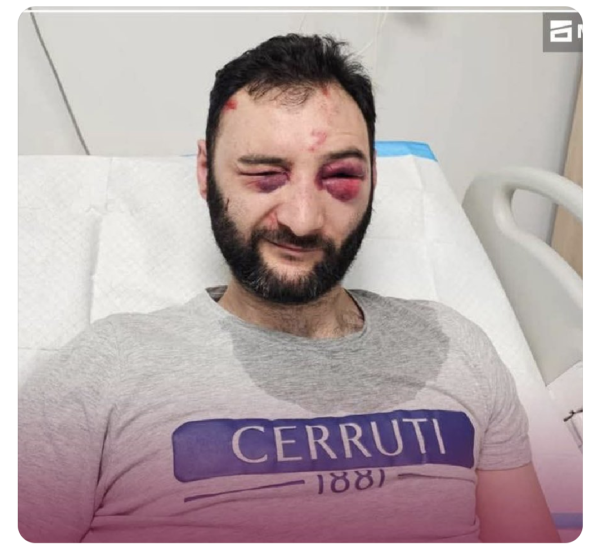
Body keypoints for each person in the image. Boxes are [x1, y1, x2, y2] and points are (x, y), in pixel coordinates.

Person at [18, 34, 560, 543]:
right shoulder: (104, 368)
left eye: (340, 176)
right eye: (264, 175)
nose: (302, 220)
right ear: (206, 172)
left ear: (373, 177)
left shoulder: (458, 347)